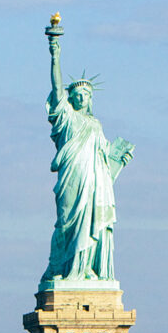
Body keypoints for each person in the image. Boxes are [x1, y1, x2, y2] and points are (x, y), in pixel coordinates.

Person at [42, 29, 134, 284]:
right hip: (73, 176)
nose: (81, 97)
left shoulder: (96, 125)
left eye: (86, 95)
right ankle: (67, 269)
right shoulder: (67, 118)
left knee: (94, 221)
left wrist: (118, 162)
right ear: (71, 99)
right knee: (66, 223)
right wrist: (55, 56)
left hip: (95, 183)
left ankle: (86, 270)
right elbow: (56, 90)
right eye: (77, 94)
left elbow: (104, 164)